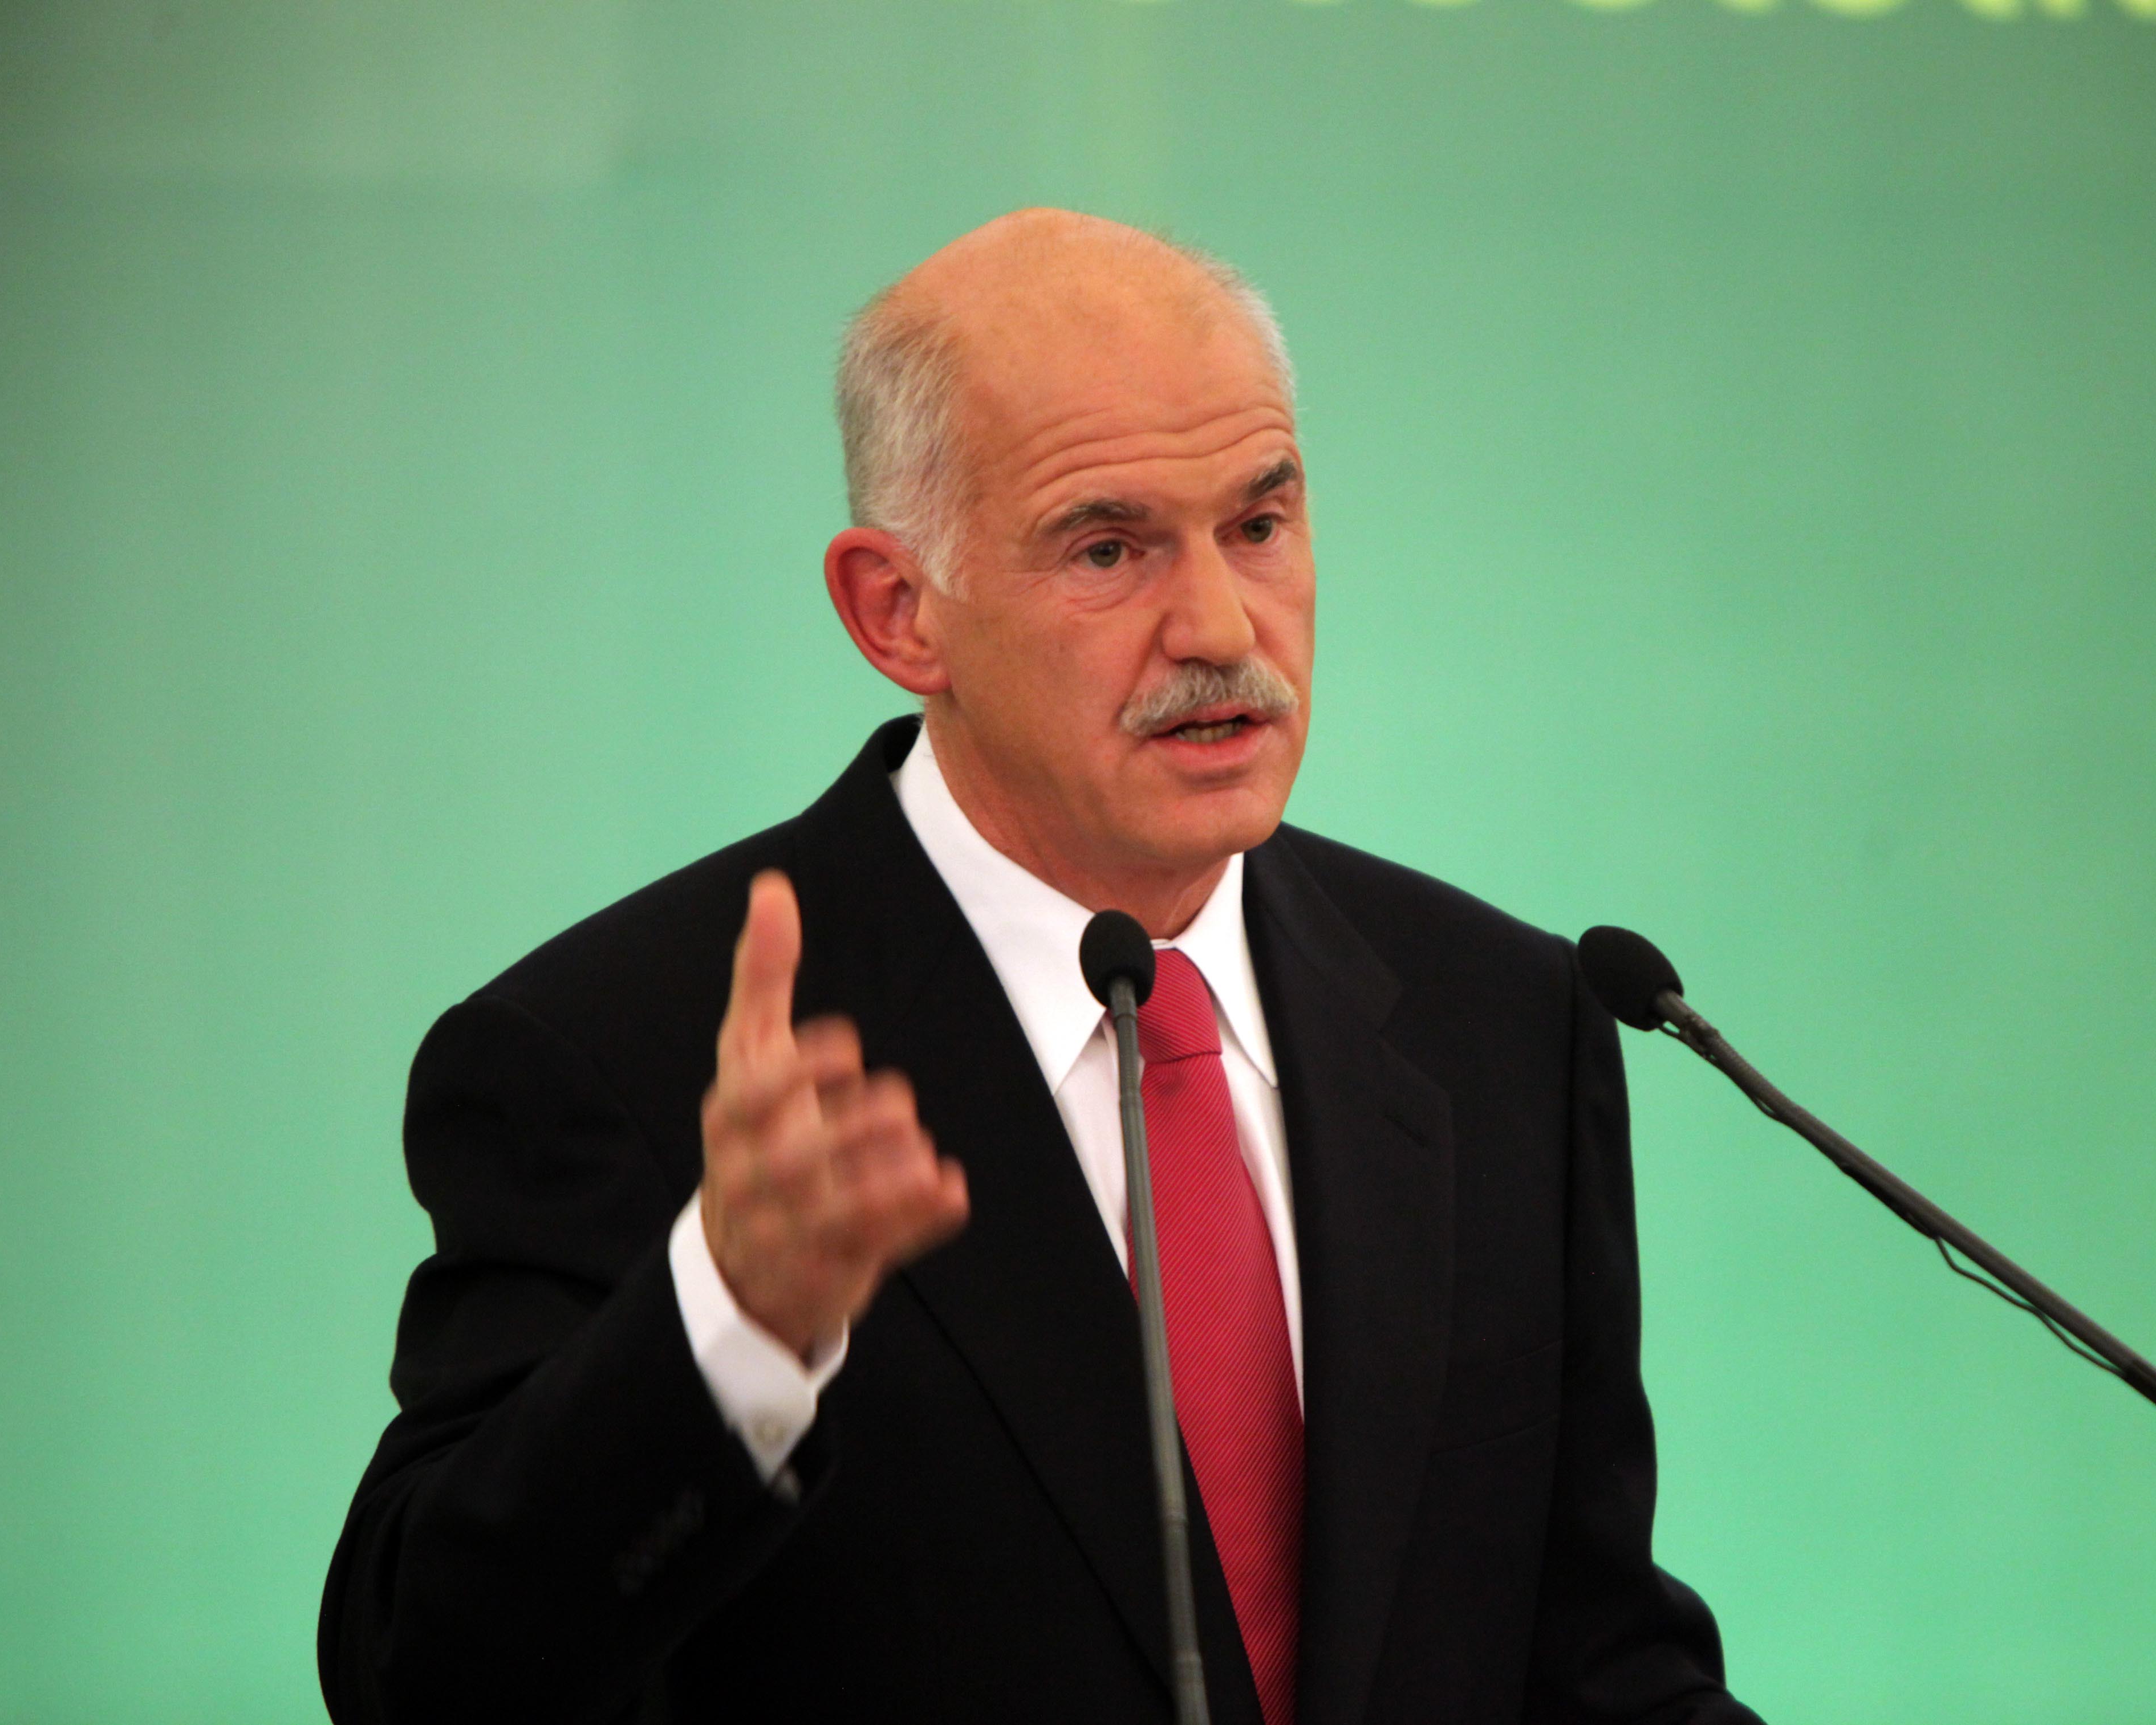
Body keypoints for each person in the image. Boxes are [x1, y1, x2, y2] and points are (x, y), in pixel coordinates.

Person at [319, 209, 1765, 1725]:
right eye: (1107, 548)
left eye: (1258, 525)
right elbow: (422, 1682)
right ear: (899, 613)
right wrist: (729, 1328)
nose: (1219, 625)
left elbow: (1598, 1669)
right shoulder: (617, 1060)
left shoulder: (1502, 1023)